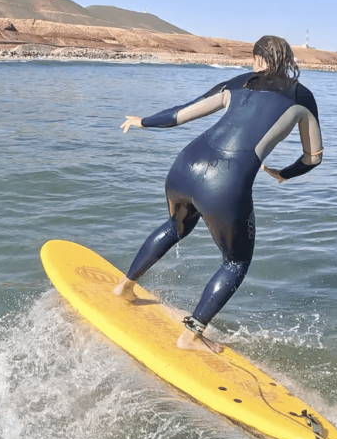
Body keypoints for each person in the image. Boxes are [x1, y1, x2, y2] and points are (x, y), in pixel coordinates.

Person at [114, 35, 323, 354]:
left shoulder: (237, 83)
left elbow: (181, 114)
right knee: (236, 262)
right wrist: (284, 173)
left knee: (175, 227)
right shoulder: (302, 98)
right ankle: (190, 337)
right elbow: (313, 157)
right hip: (225, 183)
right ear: (288, 61)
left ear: (257, 59)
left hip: (185, 166)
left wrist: (141, 121)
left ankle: (124, 288)